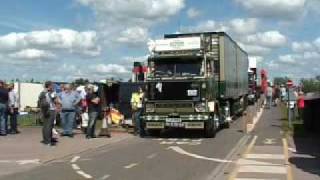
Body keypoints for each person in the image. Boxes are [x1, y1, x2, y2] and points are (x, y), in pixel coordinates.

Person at [39, 81, 57, 146]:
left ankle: (46, 139)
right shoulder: (49, 93)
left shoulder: (42, 93)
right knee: (49, 126)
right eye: (52, 85)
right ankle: (48, 141)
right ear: (49, 86)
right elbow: (55, 100)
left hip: (45, 110)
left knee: (46, 126)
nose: (53, 87)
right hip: (50, 110)